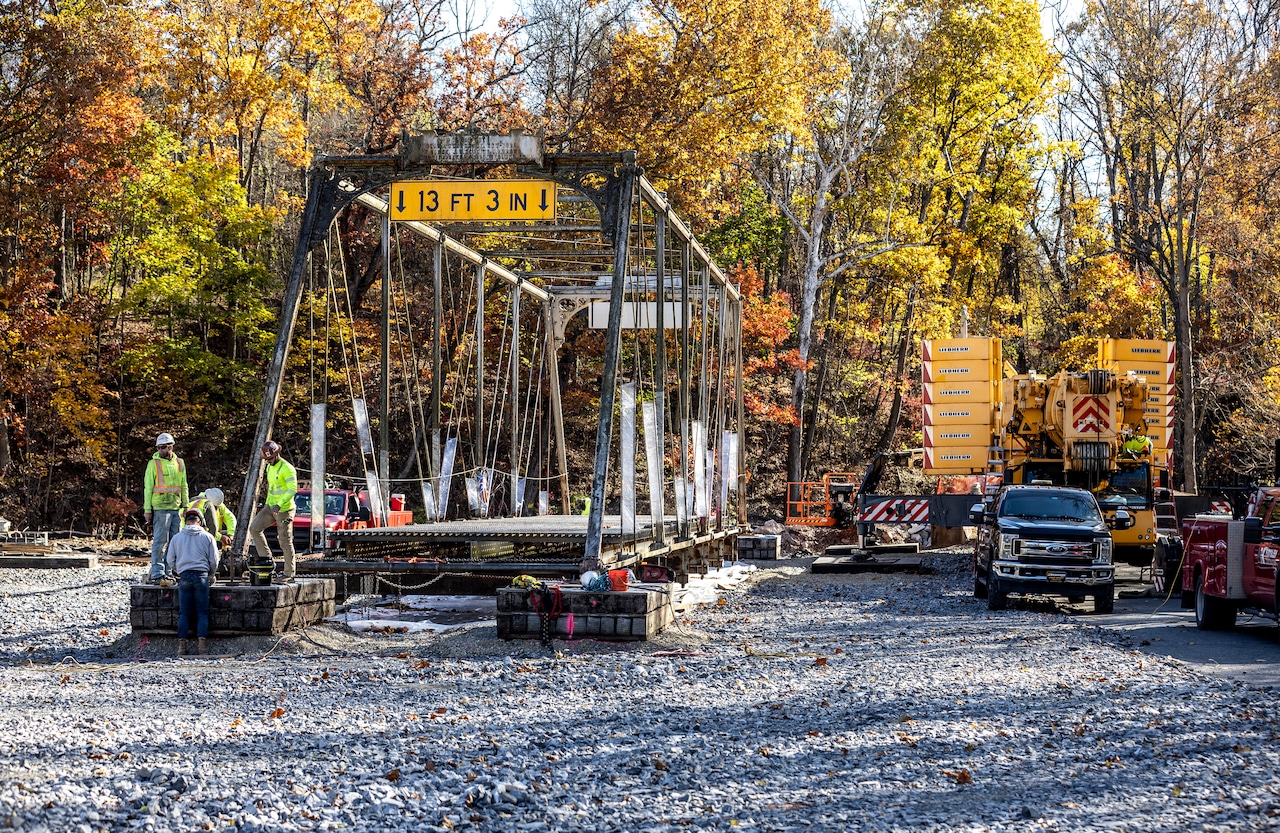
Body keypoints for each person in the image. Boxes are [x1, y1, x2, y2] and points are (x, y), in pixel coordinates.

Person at [165, 507, 219, 656]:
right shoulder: (207, 537)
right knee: (202, 612)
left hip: (184, 577)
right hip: (201, 576)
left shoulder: (177, 538)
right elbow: (214, 560)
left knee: (184, 613)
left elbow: (170, 560)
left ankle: (181, 648)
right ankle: (202, 647)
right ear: (200, 521)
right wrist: (211, 574)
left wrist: (179, 570)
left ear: (185, 521)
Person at [248, 441, 298, 582]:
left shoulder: (287, 468)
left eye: (270, 459)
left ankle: (289, 573)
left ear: (277, 454)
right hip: (270, 506)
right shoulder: (269, 468)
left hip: (285, 509)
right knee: (254, 528)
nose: (268, 462)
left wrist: (279, 504)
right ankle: (268, 562)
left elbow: (292, 489)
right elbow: (272, 488)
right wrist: (269, 504)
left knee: (284, 540)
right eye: (266, 460)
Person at [143, 432, 189, 583]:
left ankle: (169, 570)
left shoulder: (180, 463)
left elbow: (184, 485)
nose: (161, 450)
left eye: (164, 447)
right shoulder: (153, 464)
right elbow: (148, 488)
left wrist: (186, 505)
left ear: (171, 446)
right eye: (159, 448)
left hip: (175, 508)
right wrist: (147, 510)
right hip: (160, 507)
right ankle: (157, 572)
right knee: (160, 541)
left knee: (174, 541)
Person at [187, 487, 236, 576]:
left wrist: (230, 534)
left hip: (210, 535)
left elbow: (230, 518)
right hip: (196, 536)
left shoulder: (215, 502)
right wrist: (220, 537)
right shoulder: (204, 506)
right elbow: (206, 530)